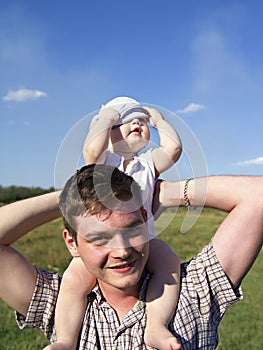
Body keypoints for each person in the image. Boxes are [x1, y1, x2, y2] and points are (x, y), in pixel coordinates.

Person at [0, 164, 262, 349]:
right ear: (72, 244)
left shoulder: (193, 290)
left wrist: (166, 192)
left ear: (145, 220)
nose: (122, 251)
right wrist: (71, 195)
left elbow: (258, 196)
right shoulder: (61, 305)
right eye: (100, 238)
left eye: (132, 230)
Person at [52, 96, 183, 350]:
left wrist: (158, 120)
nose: (137, 124)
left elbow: (174, 149)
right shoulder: (104, 162)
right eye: (126, 121)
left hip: (143, 239)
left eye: (140, 121)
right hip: (104, 242)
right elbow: (90, 150)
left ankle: (156, 325)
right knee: (74, 280)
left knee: (168, 261)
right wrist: (107, 117)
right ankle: (66, 340)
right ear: (107, 133)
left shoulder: (147, 164)